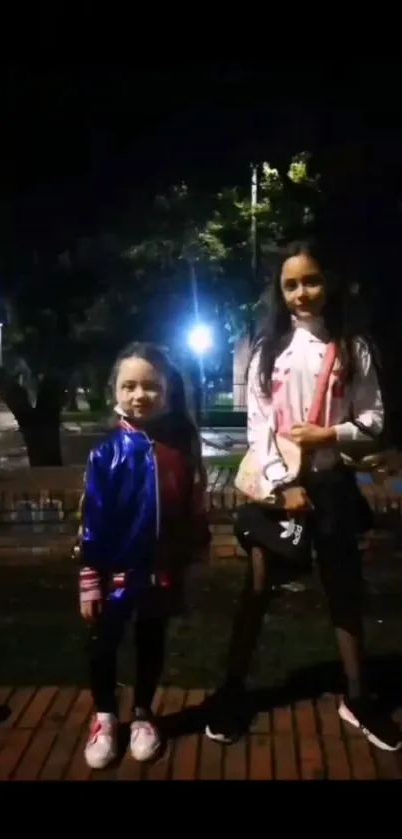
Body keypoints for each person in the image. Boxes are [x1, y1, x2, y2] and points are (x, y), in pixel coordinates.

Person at [205, 239, 402, 752]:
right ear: (279, 290)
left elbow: (375, 417)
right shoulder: (266, 347)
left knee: (344, 586)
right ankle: (232, 692)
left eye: (310, 280)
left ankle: (357, 697)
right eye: (290, 284)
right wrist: (284, 483)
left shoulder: (353, 345)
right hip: (276, 489)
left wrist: (330, 436)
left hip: (332, 484)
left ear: (328, 282)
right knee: (258, 586)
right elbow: (258, 426)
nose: (301, 293)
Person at [75, 341, 210, 770]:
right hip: (114, 574)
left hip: (160, 572)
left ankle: (143, 714)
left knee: (151, 641)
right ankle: (104, 716)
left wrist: (195, 548)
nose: (140, 395)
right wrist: (91, 578)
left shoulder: (181, 448)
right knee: (104, 645)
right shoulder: (106, 453)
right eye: (129, 385)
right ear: (113, 391)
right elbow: (93, 520)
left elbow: (194, 503)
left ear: (168, 390)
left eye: (151, 386)